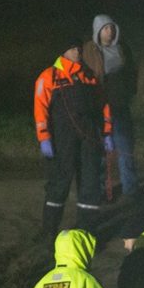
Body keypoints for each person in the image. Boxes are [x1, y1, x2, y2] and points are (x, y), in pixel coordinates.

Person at [35, 44, 106, 242]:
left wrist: (106, 132)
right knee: (59, 184)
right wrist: (44, 137)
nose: (77, 52)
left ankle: (86, 233)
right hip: (62, 140)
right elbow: (40, 108)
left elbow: (103, 103)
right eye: (72, 48)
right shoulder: (49, 76)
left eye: (78, 48)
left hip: (89, 139)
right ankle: (48, 232)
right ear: (62, 51)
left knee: (90, 185)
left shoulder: (89, 76)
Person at [80, 15, 138, 198]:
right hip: (98, 109)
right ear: (98, 30)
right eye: (105, 28)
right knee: (101, 155)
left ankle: (131, 190)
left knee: (125, 150)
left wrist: (129, 92)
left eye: (112, 28)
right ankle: (101, 191)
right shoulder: (89, 50)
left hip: (120, 108)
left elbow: (132, 73)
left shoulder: (122, 48)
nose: (110, 31)